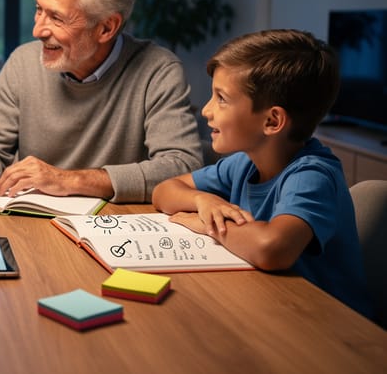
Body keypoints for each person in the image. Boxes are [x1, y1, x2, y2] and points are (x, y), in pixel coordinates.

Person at [0, 0, 203, 203]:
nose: (38, 31)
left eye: (57, 18)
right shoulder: (22, 62)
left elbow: (182, 167)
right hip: (29, 221)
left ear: (106, 28)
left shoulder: (158, 71)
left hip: (114, 226)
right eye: (39, 10)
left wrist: (68, 180)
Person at [152, 29, 372, 317]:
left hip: (330, 327)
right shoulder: (244, 163)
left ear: (272, 121)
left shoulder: (312, 175)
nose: (206, 110)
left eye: (221, 98)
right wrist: (204, 202)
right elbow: (164, 190)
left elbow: (273, 249)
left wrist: (206, 225)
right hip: (272, 305)